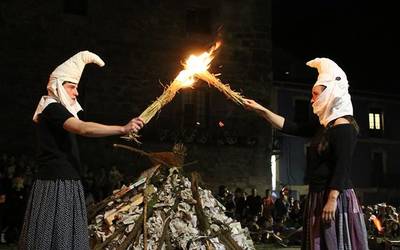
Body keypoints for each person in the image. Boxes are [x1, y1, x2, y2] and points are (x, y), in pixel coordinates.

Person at [18, 51, 144, 249]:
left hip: (65, 180)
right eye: (72, 87)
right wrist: (122, 128)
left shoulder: (55, 110)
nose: (76, 93)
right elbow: (83, 128)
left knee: (65, 239)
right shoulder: (52, 108)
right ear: (58, 86)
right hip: (57, 183)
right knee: (55, 241)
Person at [243, 57, 368, 249]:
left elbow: (342, 166)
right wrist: (260, 110)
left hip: (334, 197)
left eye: (315, 94)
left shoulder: (344, 127)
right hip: (318, 196)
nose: (312, 100)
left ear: (331, 93)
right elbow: (290, 127)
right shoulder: (324, 126)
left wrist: (332, 199)